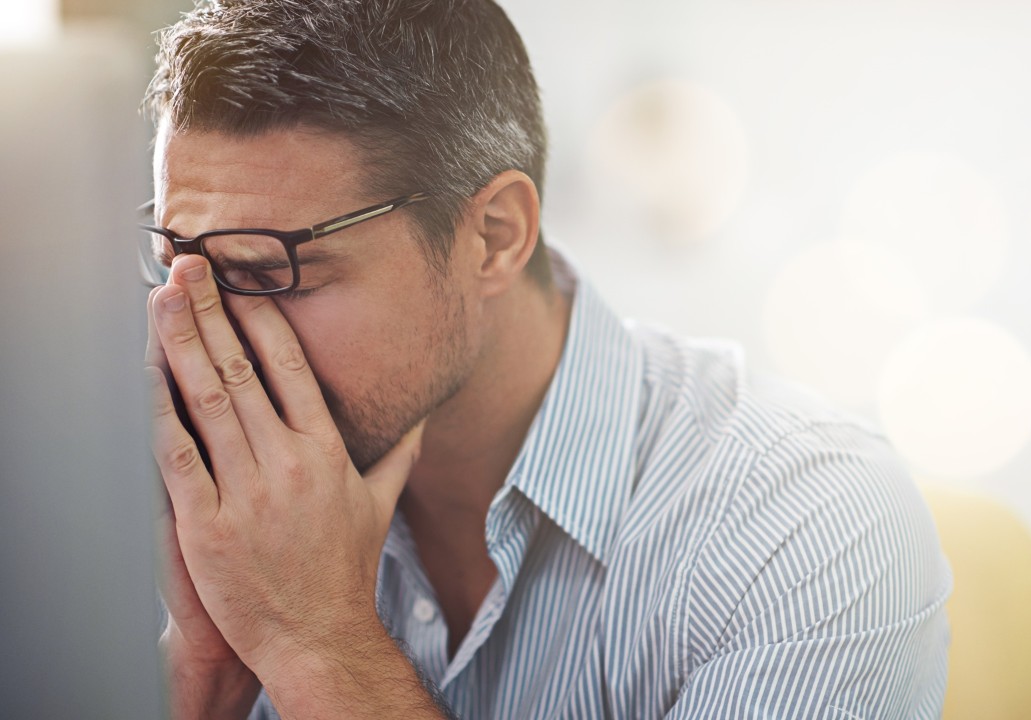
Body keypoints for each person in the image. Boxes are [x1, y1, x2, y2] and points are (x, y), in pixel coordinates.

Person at [141, 1, 952, 718]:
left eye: (270, 271)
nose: (213, 337)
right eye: (180, 262)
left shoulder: (808, 525)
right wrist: (207, 680)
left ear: (494, 237)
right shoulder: (219, 528)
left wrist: (319, 643)